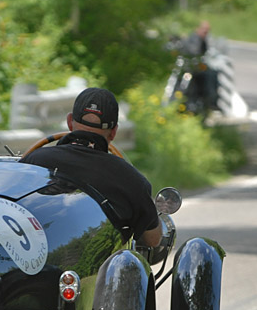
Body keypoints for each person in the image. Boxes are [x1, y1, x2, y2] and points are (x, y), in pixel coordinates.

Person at [20, 87, 161, 247]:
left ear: (69, 122)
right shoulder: (132, 179)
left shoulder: (34, 160)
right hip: (100, 268)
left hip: (37, 261)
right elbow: (153, 240)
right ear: (114, 132)